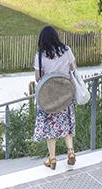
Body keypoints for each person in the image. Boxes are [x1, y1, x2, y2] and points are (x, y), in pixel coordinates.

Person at [33, 26, 77, 169]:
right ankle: (70, 152)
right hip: (65, 93)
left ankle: (52, 158)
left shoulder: (40, 55)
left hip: (48, 96)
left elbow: (38, 78)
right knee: (66, 123)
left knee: (50, 127)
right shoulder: (67, 50)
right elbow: (73, 68)